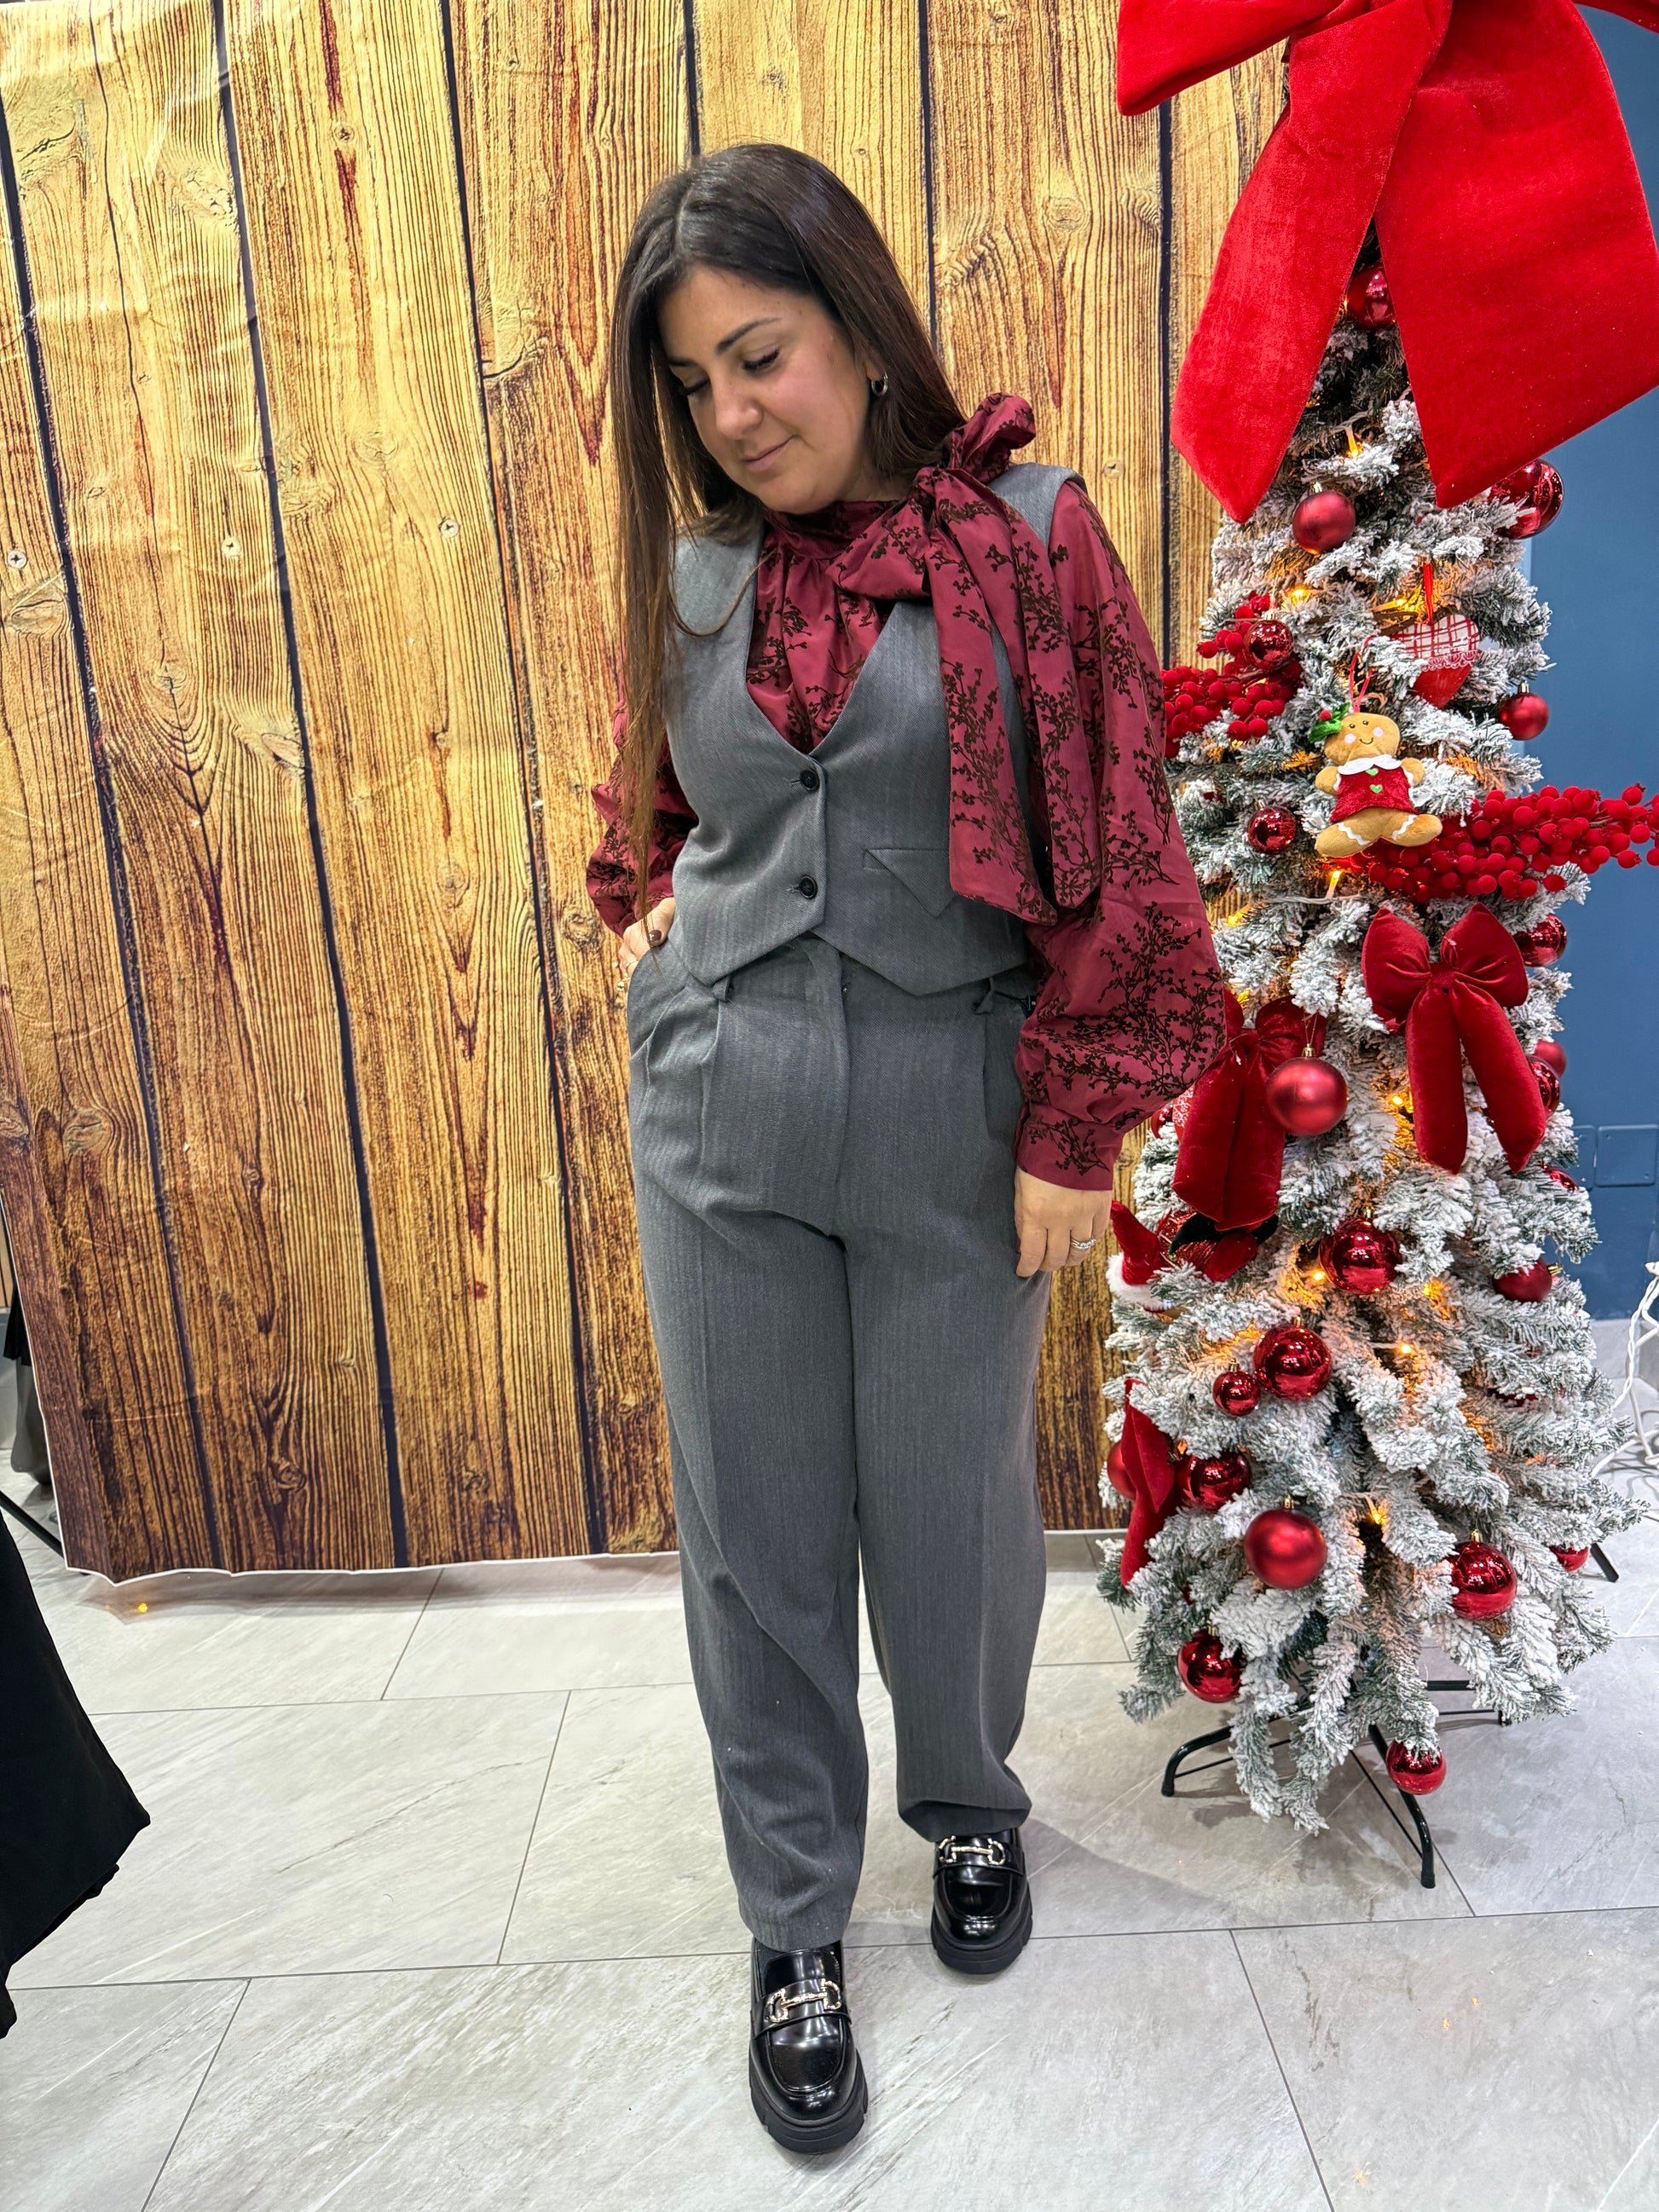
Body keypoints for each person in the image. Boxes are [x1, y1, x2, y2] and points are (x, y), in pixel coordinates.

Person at [586, 142, 1223, 2154]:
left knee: (947, 1517)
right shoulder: (694, 574)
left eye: (760, 354)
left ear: (862, 332)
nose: (732, 412)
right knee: (754, 1531)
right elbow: (655, 805)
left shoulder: (1031, 540)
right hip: (721, 1112)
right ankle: (792, 1915)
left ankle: (966, 1804)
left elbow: (1122, 834)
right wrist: (639, 912)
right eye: (693, 381)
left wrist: (1075, 1121)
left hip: (961, 1104)